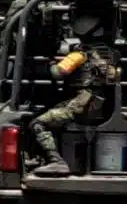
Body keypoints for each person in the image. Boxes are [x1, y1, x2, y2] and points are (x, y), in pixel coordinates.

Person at [31, 12, 119, 177]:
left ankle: (56, 162)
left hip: (80, 107)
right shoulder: (111, 55)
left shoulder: (79, 55)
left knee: (38, 123)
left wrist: (50, 62)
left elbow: (57, 73)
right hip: (101, 106)